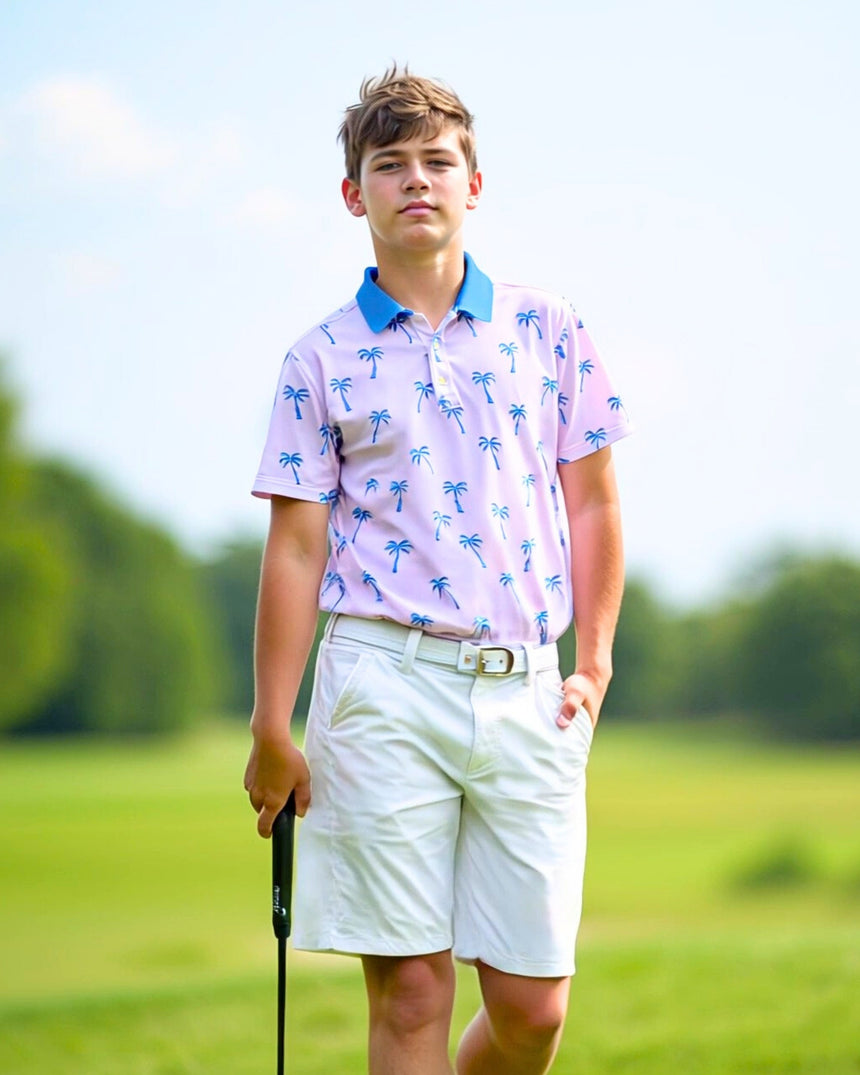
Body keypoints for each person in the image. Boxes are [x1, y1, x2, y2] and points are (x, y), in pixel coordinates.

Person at [244, 66, 632, 1075]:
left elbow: (591, 499)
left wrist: (591, 665)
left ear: (473, 184)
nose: (415, 180)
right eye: (388, 165)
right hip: (380, 683)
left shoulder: (547, 329)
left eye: (436, 161)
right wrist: (270, 725)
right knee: (411, 993)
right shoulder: (317, 360)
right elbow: (294, 545)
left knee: (532, 1009)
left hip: (528, 689)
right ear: (352, 194)